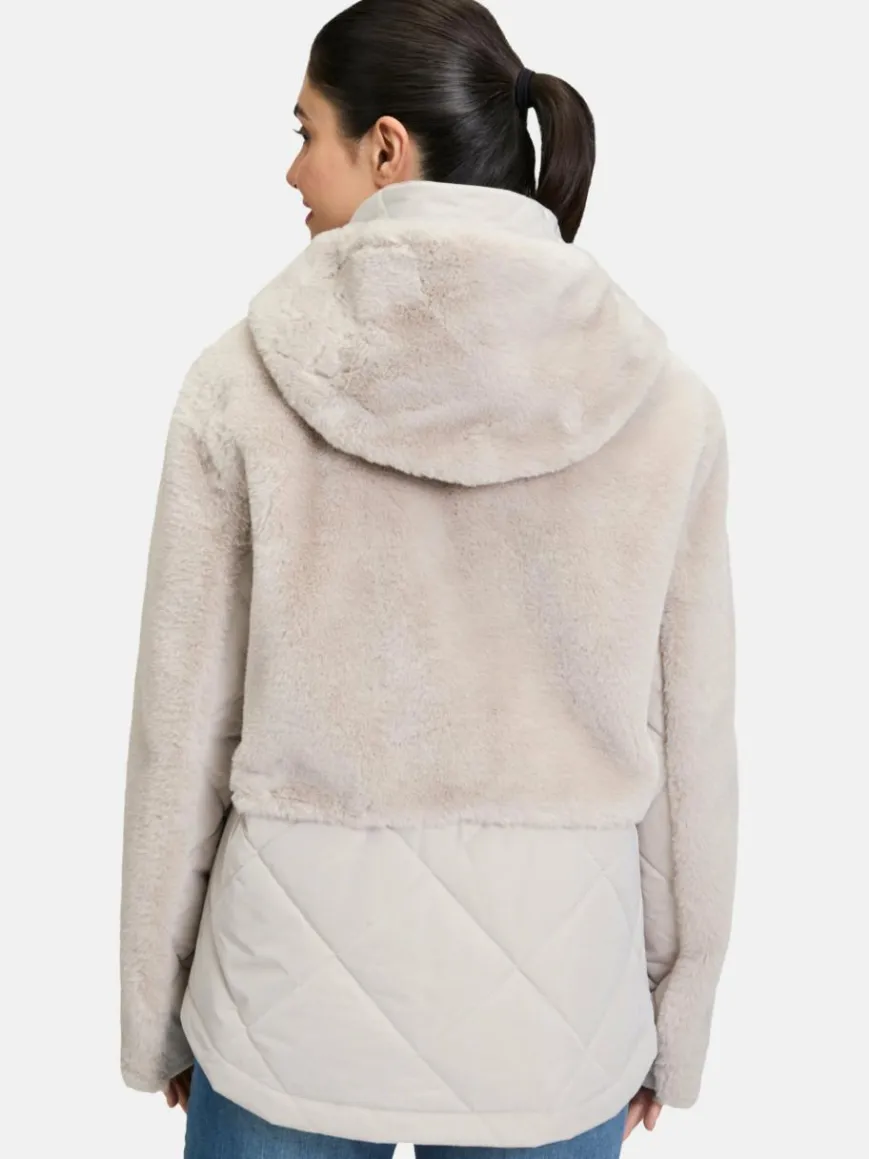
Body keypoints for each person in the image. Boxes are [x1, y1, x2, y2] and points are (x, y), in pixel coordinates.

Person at [118, 1, 739, 1156]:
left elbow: (180, 733)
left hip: (281, 1019)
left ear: (386, 148)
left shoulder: (238, 384)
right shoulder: (663, 407)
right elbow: (688, 744)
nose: (291, 170)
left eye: (305, 131)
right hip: (554, 1033)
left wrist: (156, 1015)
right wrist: (674, 1019)